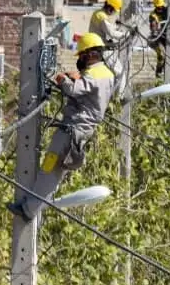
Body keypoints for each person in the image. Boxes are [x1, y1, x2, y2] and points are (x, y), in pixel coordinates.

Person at [7, 32, 116, 220]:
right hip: (79, 131)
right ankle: (33, 206)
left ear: (90, 55)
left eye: (81, 55)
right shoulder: (106, 73)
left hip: (71, 131)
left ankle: (28, 210)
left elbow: (73, 89)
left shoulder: (92, 74)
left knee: (50, 170)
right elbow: (87, 89)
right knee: (53, 170)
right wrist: (77, 77)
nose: (80, 60)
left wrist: (62, 79)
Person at [148, 0, 170, 79]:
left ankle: (165, 74)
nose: (161, 8)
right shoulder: (153, 15)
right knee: (162, 55)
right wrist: (156, 29)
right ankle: (159, 74)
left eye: (162, 6)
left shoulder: (167, 10)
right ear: (155, 6)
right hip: (157, 39)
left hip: (166, 37)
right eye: (159, 7)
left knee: (169, 56)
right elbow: (153, 26)